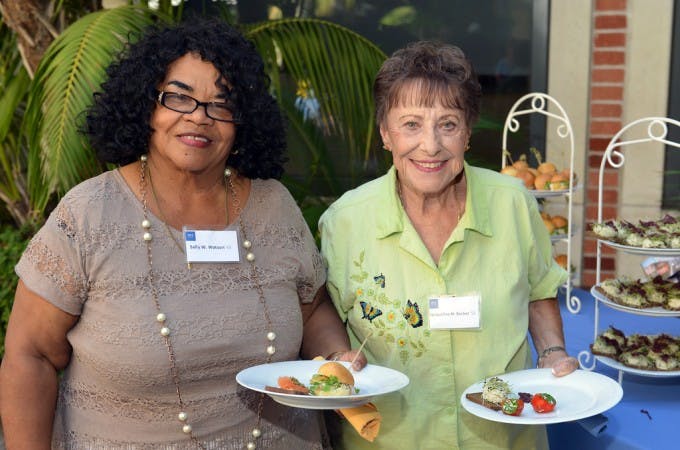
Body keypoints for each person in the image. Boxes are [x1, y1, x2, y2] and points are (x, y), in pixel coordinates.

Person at [0, 18, 364, 449]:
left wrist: (337, 357)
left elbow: (312, 307)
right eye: (179, 97)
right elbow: (31, 356)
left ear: (241, 119)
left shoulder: (274, 207)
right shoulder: (88, 216)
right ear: (145, 106)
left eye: (221, 103)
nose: (199, 118)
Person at [319, 41, 579, 450]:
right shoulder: (345, 221)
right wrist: (337, 354)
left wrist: (552, 351)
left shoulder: (513, 203)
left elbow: (539, 290)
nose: (430, 145)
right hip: (393, 437)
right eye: (410, 125)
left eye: (448, 124)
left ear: (468, 133)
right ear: (385, 133)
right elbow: (324, 310)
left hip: (503, 436)